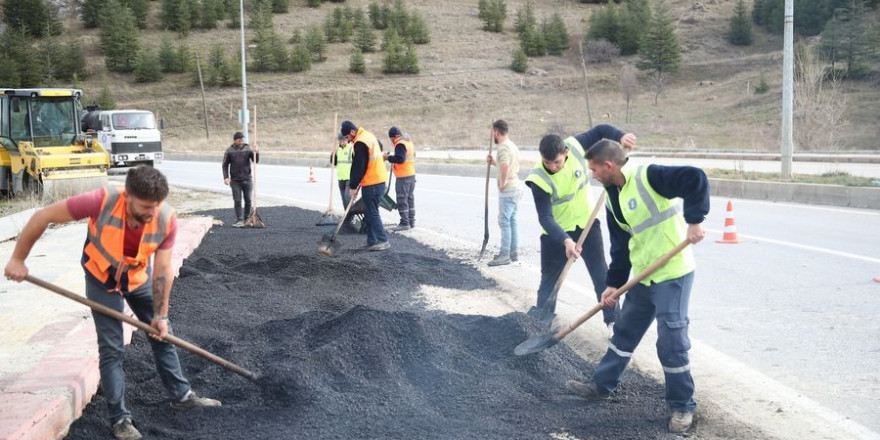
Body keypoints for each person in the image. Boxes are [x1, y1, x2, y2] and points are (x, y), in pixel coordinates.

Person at [4, 166, 221, 440]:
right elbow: (42, 216)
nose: (151, 213)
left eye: (156, 206)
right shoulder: (101, 200)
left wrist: (160, 315)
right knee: (111, 348)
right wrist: (18, 259)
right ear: (127, 196)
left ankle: (183, 395)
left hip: (138, 276)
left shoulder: (166, 218)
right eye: (144, 206)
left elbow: (163, 270)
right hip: (101, 277)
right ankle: (119, 419)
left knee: (163, 335)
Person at [564, 139, 709, 434]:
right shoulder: (612, 195)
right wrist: (613, 284)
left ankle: (682, 406)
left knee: (671, 339)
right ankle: (601, 386)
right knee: (624, 331)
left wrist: (694, 220)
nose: (591, 174)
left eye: (593, 169)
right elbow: (620, 245)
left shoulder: (649, 176)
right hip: (643, 275)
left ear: (609, 165)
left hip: (672, 273)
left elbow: (696, 178)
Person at [524, 125, 636, 335]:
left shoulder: (575, 146)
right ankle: (539, 326)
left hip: (587, 223)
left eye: (557, 162)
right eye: (548, 163)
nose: (553, 167)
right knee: (550, 280)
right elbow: (545, 217)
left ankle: (614, 323)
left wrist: (621, 136)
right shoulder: (538, 178)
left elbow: (601, 130)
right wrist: (565, 240)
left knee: (601, 274)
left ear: (565, 152)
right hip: (556, 234)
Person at [342, 120, 390, 251]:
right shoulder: (368, 136)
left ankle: (383, 240)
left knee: (372, 212)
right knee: (369, 212)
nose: (348, 140)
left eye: (347, 137)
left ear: (352, 132)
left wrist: (353, 186)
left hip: (373, 182)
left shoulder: (360, 142)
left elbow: (359, 166)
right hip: (376, 180)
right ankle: (371, 240)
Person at [485, 119, 521, 267]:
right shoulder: (511, 145)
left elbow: (506, 165)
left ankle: (504, 254)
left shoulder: (503, 147)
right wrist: (494, 162)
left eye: (492, 132)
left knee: (504, 221)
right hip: (516, 186)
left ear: (496, 132)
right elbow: (504, 164)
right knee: (512, 220)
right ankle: (513, 252)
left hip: (509, 189)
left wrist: (503, 182)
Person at [222, 132, 259, 227]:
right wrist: (226, 177)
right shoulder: (229, 150)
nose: (241, 141)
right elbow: (225, 164)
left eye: (242, 139)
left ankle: (247, 219)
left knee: (248, 200)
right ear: (235, 140)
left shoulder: (248, 148)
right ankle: (239, 220)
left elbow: (255, 161)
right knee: (237, 200)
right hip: (235, 181)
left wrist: (256, 152)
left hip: (247, 179)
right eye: (239, 140)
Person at [383, 126, 416, 231]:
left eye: (391, 139)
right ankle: (411, 221)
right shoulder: (408, 142)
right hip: (411, 174)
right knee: (410, 198)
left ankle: (404, 223)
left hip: (403, 177)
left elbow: (400, 159)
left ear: (395, 137)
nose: (392, 141)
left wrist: (388, 158)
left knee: (402, 199)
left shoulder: (400, 144)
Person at [332, 133, 354, 209]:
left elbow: (356, 162)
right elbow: (333, 162)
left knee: (347, 196)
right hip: (340, 177)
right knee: (343, 198)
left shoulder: (351, 148)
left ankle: (351, 213)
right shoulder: (337, 149)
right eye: (340, 141)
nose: (342, 143)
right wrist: (333, 153)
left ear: (346, 140)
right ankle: (346, 216)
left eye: (343, 141)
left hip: (349, 177)